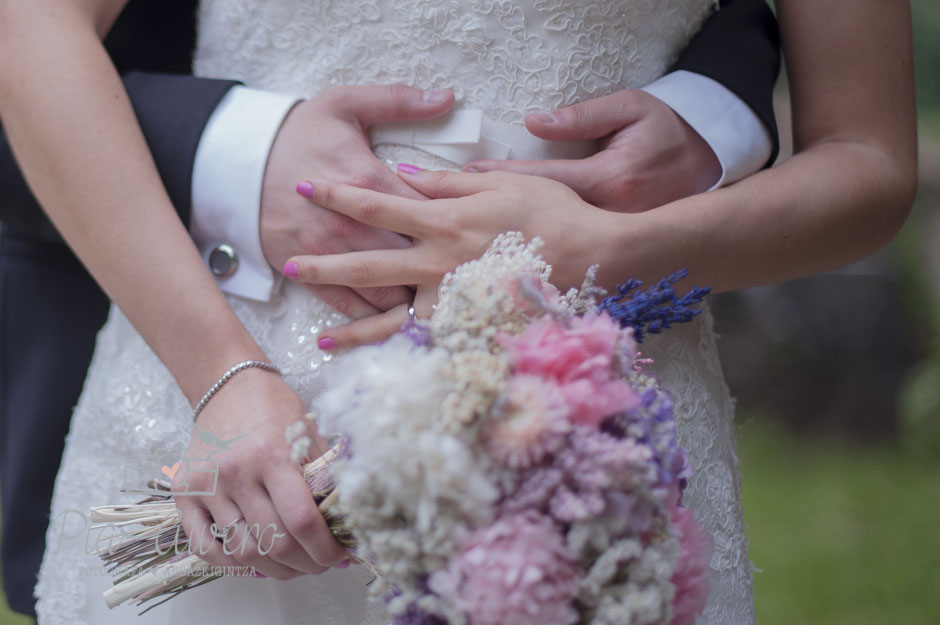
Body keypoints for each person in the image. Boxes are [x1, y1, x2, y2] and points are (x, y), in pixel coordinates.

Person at [0, 0, 781, 620]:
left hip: (588, 411)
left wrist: (597, 247)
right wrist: (221, 371)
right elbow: (31, 27)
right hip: (226, 381)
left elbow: (864, 155)